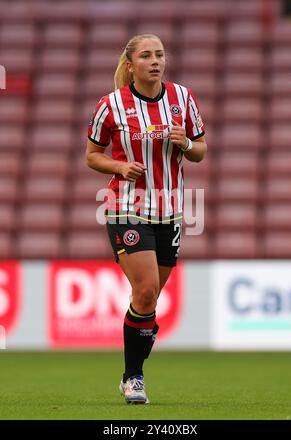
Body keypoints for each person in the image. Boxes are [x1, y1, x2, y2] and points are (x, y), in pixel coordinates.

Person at [86, 34, 207, 404]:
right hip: (126, 204)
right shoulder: (111, 105)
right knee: (146, 289)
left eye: (159, 54)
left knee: (148, 303)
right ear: (130, 65)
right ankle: (135, 378)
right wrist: (120, 166)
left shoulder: (183, 98)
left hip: (169, 209)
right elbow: (92, 155)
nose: (155, 61)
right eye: (146, 55)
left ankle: (129, 371)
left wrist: (185, 142)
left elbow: (200, 150)